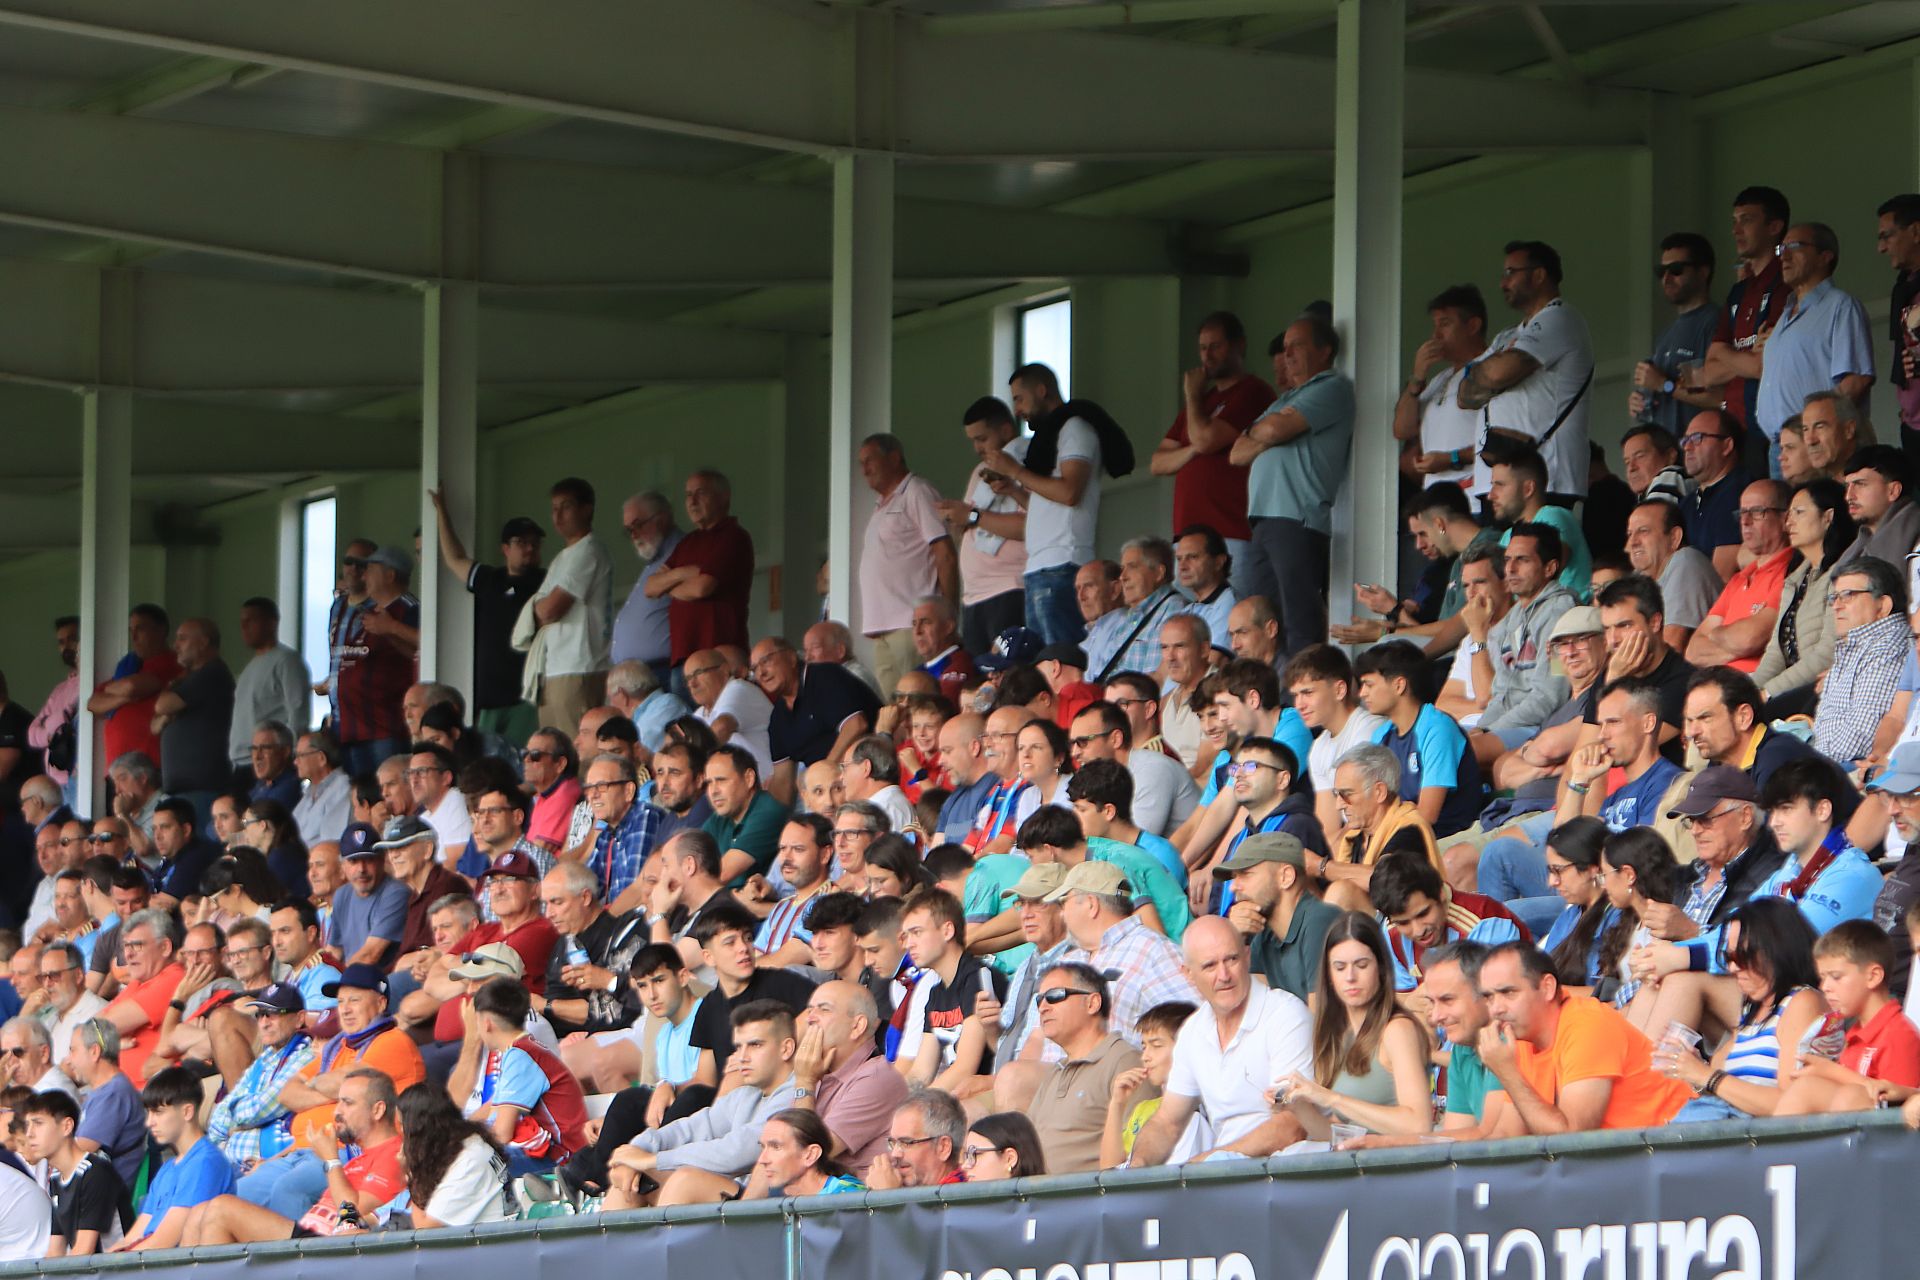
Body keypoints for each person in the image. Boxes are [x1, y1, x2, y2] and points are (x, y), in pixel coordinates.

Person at [1127, 917, 1309, 1164]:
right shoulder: (1193, 1031)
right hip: (1224, 1174)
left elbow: (1294, 1124)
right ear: (1188, 974)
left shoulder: (1284, 1014)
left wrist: (1205, 1163)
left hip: (1286, 1171)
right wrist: (1137, 1166)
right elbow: (1167, 1122)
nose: (1223, 975)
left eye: (1231, 959)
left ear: (1247, 957)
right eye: (1210, 966)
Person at [1473, 941, 1689, 1134]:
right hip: (1635, 1155)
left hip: (1680, 1144)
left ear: (1547, 988)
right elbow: (1508, 1135)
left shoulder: (1586, 1024)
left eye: (1509, 993)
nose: (1496, 1008)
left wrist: (1508, 1072)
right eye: (1489, 997)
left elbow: (1573, 1138)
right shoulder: (1521, 1039)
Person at [1233, 314, 1353, 657]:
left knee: (1299, 620)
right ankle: (1275, 688)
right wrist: (1269, 429)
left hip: (1296, 516)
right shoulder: (1281, 402)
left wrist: (1266, 431)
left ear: (1324, 350)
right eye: (1285, 348)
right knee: (1264, 624)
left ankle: (1307, 688)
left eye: (1296, 346)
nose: (1287, 355)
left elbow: (1272, 431)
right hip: (1264, 519)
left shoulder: (1332, 387)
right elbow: (1237, 454)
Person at [602, 1000, 800, 1208]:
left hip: (770, 1205)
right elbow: (687, 1129)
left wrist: (653, 1159)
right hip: (732, 1196)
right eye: (739, 1047)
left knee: (685, 1182)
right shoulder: (745, 1095)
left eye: (755, 1045)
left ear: (786, 1049)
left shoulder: (796, 1094)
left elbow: (736, 1152)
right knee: (629, 1183)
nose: (742, 1057)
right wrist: (633, 1153)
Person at [181, 1067, 406, 1242]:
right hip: (306, 1238)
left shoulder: (394, 1153)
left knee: (222, 1209)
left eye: (348, 1103)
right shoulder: (361, 1157)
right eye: (338, 1102)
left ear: (377, 1110)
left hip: (327, 1249)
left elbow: (352, 1214)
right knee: (201, 1212)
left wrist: (331, 1160)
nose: (337, 1111)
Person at [1657, 897, 1828, 1122]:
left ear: (1776, 950)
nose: (1732, 968)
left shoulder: (1802, 1002)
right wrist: (1694, 1070)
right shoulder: (1752, 1012)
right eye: (1728, 958)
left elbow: (1793, 1104)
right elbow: (1723, 1091)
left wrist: (1706, 1075)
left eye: (1741, 957)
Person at [1275, 913, 1432, 1140]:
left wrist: (1331, 1098)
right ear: (1329, 975)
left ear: (1381, 968)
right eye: (1339, 967)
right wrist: (1297, 1106)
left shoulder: (1397, 1030)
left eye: (1361, 965)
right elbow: (1335, 1135)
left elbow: (1419, 1125)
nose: (1350, 977)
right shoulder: (1337, 1033)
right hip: (1355, 1158)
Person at [1458, 241, 1594, 500]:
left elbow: (1497, 374)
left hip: (1546, 479)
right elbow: (1464, 395)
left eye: (1511, 273)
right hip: (1498, 481)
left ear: (1539, 275)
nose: (1503, 283)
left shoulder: (1561, 317)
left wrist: (1491, 375)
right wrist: (1495, 371)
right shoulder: (1505, 336)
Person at [1149, 312, 1274, 587]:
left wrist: (1192, 395)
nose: (1207, 355)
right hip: (1187, 541)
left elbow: (1207, 440)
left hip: (1232, 535)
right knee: (1193, 615)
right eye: (1203, 348)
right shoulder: (1201, 404)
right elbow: (1157, 463)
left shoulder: (1252, 391)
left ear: (1239, 345)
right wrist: (1193, 450)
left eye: (1216, 346)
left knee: (1237, 612)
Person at [1754, 223, 1875, 469]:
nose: (1784, 256)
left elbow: (1856, 380)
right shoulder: (1785, 314)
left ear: (1825, 256)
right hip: (1781, 447)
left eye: (1794, 246)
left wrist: (1811, 431)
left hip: (1816, 446)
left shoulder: (1840, 306)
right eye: (1781, 249)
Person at [1774, 921, 1920, 1114]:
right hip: (1853, 1129)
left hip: (1879, 1133)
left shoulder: (1898, 1034)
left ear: (1873, 976)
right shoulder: (1854, 1034)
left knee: (1818, 1091)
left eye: (1836, 976)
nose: (1825, 987)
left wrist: (1832, 1072)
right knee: (1806, 1088)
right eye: (1823, 978)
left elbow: (1897, 1109)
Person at [448, 977, 587, 1177]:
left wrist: (460, 1142)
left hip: (562, 1157)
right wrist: (453, 1133)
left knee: (464, 1166)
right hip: (548, 1152)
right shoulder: (520, 1050)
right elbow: (494, 1109)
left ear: (486, 1024)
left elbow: (502, 1134)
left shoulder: (521, 1056)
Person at [856, 434, 957, 697]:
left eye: (870, 460)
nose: (864, 470)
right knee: (894, 708)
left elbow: (944, 552)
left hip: (910, 625)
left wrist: (948, 613)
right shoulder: (881, 505)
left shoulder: (916, 491)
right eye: (861, 463)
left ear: (894, 457)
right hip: (881, 630)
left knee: (919, 700)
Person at [1355, 641, 1483, 838]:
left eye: (1369, 685)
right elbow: (1371, 806)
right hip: (1402, 836)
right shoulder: (1381, 735)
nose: (1362, 693)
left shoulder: (1437, 728)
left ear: (1399, 685)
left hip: (1446, 838)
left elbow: (1426, 816)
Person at [936, 398, 1030, 655]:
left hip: (1009, 588)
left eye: (982, 439)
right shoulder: (980, 470)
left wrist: (972, 516)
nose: (977, 447)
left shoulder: (1029, 462)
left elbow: (1029, 526)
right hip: (974, 595)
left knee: (1008, 671)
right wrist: (954, 518)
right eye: (973, 441)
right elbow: (968, 521)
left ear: (1006, 430)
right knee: (979, 675)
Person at [112, 1066, 236, 1250]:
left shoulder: (205, 1162)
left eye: (158, 1112)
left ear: (187, 1112)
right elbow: (133, 1237)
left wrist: (118, 1262)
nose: (149, 1122)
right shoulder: (167, 1168)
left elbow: (164, 1241)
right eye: (149, 1113)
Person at [526, 477, 613, 736]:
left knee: (577, 746)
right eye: (554, 508)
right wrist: (541, 608)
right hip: (553, 668)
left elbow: (549, 609)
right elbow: (537, 611)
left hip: (579, 667)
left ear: (586, 509)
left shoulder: (589, 550)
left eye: (566, 507)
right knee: (551, 748)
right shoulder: (561, 558)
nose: (558, 515)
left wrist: (542, 607)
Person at [204, 982, 318, 1170]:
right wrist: (236, 1122)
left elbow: (261, 1108)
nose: (264, 1023)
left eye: (273, 1014)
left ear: (299, 1019)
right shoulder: (265, 1058)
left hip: (269, 1164)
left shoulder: (306, 1055)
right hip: (232, 1162)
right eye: (260, 1014)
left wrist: (235, 1120)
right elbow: (220, 1115)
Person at [1811, 556, 1911, 768]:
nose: (1836, 606)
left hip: (1847, 766)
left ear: (1883, 605)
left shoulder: (1888, 646)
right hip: (1827, 761)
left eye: (1848, 595)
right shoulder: (1855, 642)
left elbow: (1861, 737)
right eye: (1834, 598)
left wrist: (1810, 765)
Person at [1685, 480, 1793, 672]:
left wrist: (1715, 634)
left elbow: (1750, 638)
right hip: (1718, 682)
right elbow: (1693, 651)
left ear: (1785, 519)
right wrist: (1737, 647)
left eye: (1757, 512)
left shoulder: (1791, 570)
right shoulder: (1738, 579)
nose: (1745, 521)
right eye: (1742, 513)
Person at [1395, 284, 1490, 497]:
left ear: (1473, 326)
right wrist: (1417, 377)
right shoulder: (1440, 379)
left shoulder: (1492, 371)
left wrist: (1451, 459)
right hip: (1436, 498)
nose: (1435, 335)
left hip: (1474, 496)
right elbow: (1402, 430)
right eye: (1435, 325)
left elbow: (1502, 441)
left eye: (1445, 324)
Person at [331, 548, 419, 777]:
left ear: (390, 575)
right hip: (352, 727)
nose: (363, 575)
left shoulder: (408, 607)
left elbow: (428, 644)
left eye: (369, 569)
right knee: (360, 794)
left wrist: (392, 628)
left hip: (385, 727)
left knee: (388, 789)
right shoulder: (367, 610)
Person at [1632, 232, 1722, 436]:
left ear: (1703, 272)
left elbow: (1718, 397)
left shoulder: (1714, 322)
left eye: (1676, 270)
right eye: (1661, 271)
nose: (1667, 278)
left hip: (1699, 447)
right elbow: (1658, 391)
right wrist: (1639, 401)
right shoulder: (1666, 335)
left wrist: (1664, 385)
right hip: (1666, 450)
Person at [23, 1089, 130, 1256]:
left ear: (66, 1127)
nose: (29, 1134)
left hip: (116, 1267)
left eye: (38, 1123)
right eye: (27, 1125)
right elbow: (55, 1251)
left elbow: (83, 1252)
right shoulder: (56, 1179)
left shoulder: (96, 1173)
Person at [86, 604, 182, 781]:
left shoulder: (171, 661)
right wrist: (126, 696)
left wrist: (120, 691)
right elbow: (93, 704)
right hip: (118, 770)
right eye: (131, 630)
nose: (134, 637)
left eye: (140, 629)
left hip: (148, 768)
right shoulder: (128, 667)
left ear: (161, 630)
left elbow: (132, 686)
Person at [227, 600, 311, 784]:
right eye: (242, 622)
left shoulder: (287, 661)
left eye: (251, 620)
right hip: (242, 762)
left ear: (272, 622)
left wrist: (292, 756)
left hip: (270, 764)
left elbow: (297, 711)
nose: (244, 627)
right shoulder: (249, 668)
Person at [742, 1109, 864, 1199]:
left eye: (776, 1147)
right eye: (763, 1147)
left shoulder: (849, 1197)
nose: (762, 1159)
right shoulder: (775, 1196)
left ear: (810, 1155)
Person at [1836, 445, 1920, 571]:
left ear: (1893, 491)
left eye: (1860, 484)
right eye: (1847, 486)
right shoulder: (1856, 550)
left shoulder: (1916, 542)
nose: (1848, 496)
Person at [864, 1088, 966, 1189]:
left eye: (906, 1142)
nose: (895, 1153)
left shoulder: (963, 1194)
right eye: (893, 1143)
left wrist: (886, 1196)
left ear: (943, 1147)